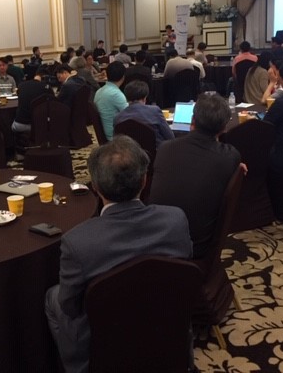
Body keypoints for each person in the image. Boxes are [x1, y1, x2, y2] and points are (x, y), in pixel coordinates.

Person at [44, 135, 192, 373]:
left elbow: (70, 308)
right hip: (166, 333)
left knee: (53, 296)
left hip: (104, 349)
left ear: (95, 186)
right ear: (144, 180)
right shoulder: (176, 220)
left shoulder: (77, 242)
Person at [149, 93, 242, 259]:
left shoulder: (165, 148)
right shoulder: (229, 156)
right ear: (224, 128)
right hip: (197, 246)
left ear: (192, 121)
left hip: (154, 238)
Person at [114, 81, 174, 147]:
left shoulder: (118, 118)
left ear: (126, 98)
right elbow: (170, 137)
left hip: (131, 152)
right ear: (145, 98)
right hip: (157, 152)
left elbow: (118, 142)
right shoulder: (154, 111)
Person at [11, 67, 52, 134]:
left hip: (20, 124)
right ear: (45, 77)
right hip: (39, 125)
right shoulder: (47, 88)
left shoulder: (21, 85)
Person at [94, 62, 128, 140]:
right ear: (123, 77)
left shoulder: (99, 91)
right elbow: (129, 114)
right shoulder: (116, 94)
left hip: (106, 131)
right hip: (115, 135)